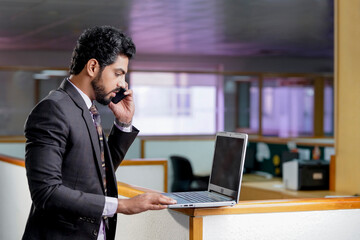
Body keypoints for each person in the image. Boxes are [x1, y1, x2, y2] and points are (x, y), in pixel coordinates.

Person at [22, 26, 176, 240]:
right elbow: (46, 192)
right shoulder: (53, 109)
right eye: (118, 73)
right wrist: (122, 205)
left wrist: (124, 123)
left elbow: (98, 171)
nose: (123, 84)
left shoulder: (87, 109)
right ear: (93, 67)